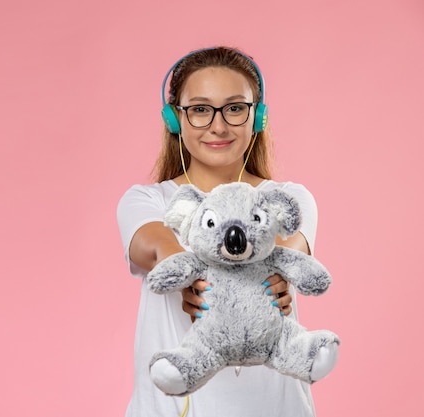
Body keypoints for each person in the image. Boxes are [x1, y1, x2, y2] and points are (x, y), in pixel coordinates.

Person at [116, 46, 325, 416]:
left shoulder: (288, 198)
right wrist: (184, 272)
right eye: (199, 109)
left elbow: (289, 248)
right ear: (174, 119)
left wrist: (279, 273)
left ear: (257, 117)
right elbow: (155, 246)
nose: (218, 125)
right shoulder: (146, 200)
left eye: (234, 108)